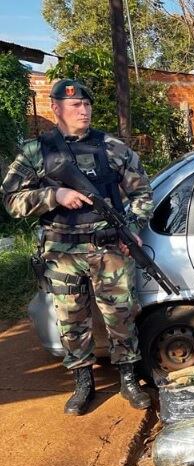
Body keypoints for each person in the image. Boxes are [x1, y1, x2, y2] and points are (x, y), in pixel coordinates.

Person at [1, 79, 153, 415]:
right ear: (55, 108)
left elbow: (143, 193)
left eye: (86, 105)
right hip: (62, 255)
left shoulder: (111, 147)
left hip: (108, 250)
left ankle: (129, 378)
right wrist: (53, 196)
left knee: (122, 317)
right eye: (74, 106)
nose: (83, 110)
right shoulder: (36, 152)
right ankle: (83, 382)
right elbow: (10, 200)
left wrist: (133, 227)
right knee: (71, 321)